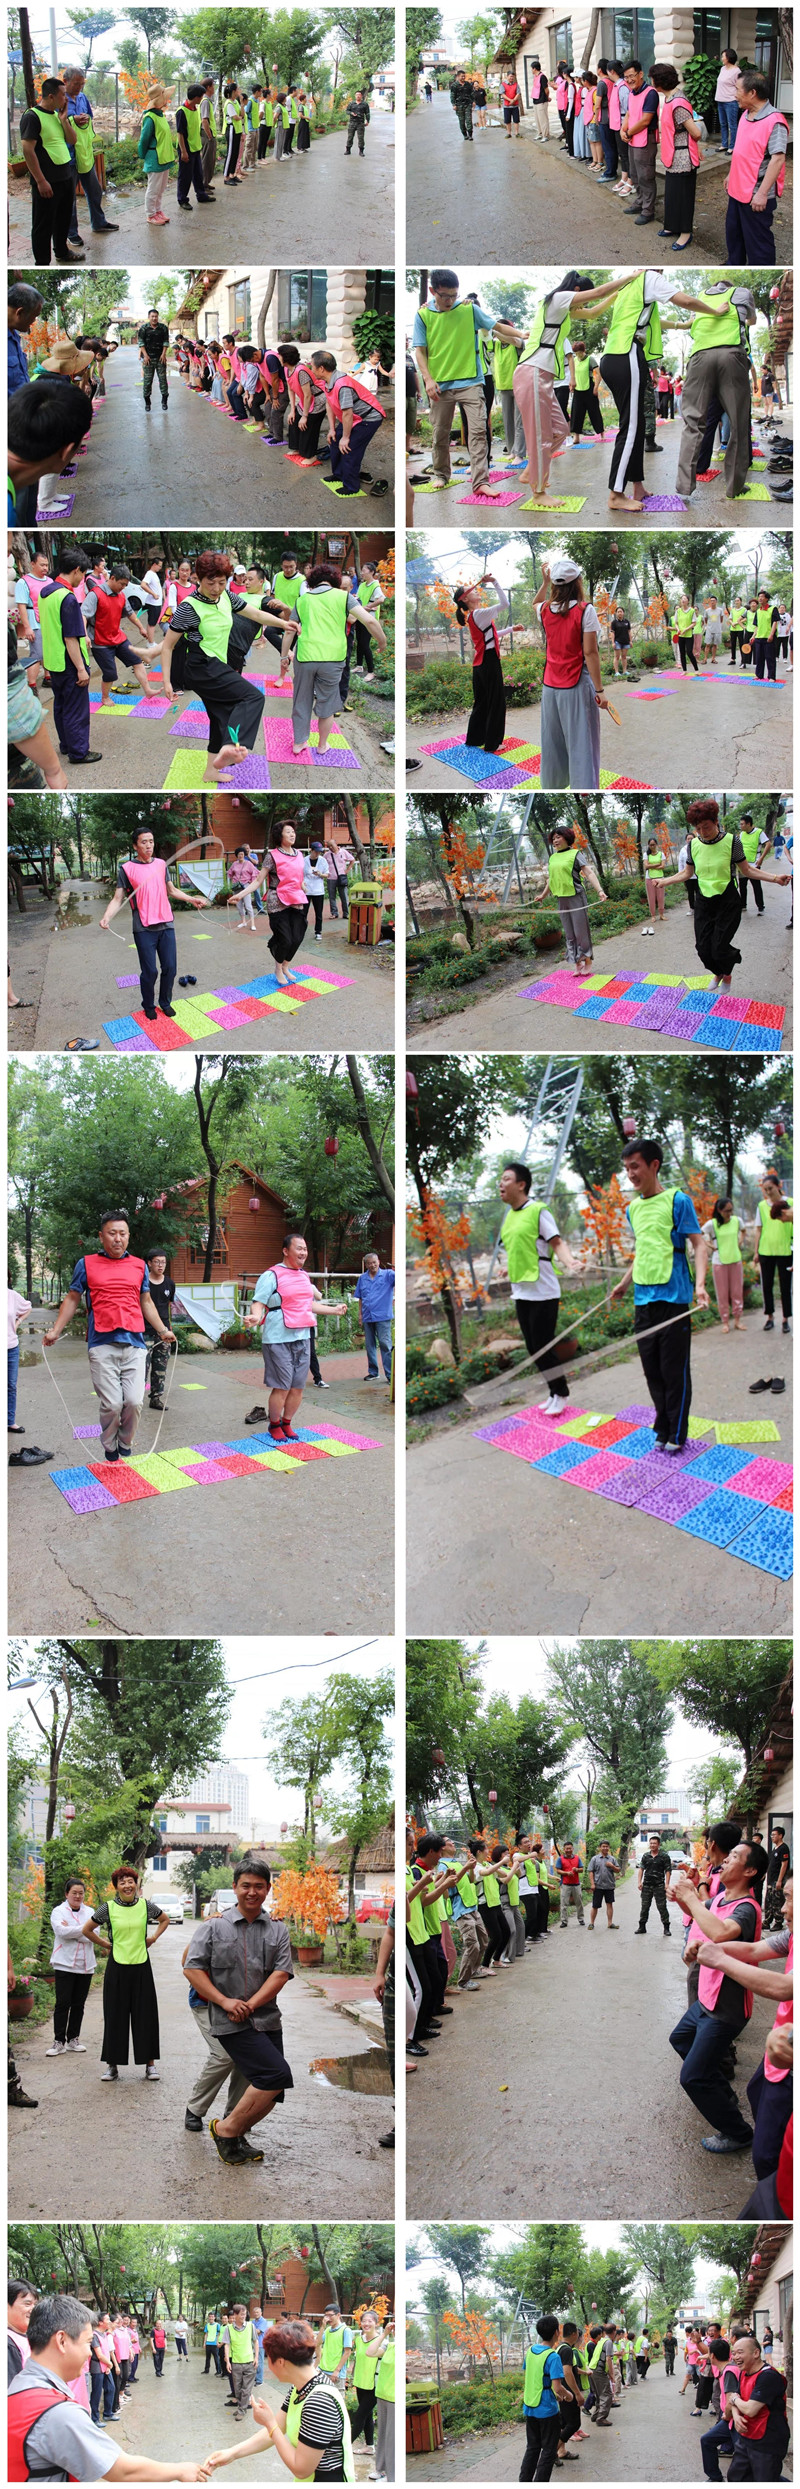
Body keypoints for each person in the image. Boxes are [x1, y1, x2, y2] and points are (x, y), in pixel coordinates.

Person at [8, 2294, 205, 2481]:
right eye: (87, 2342)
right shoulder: (57, 2412)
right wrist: (180, 2470)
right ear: (62, 2341)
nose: (89, 2353)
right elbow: (122, 2471)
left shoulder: (19, 2384)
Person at [183, 1859, 293, 2167]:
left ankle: (237, 2137)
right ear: (235, 1887)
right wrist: (226, 2001)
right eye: (246, 1885)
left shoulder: (278, 1930)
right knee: (276, 2075)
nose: (252, 1892)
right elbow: (192, 1969)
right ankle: (226, 2130)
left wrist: (251, 2004)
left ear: (268, 1889)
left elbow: (280, 1974)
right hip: (229, 2021)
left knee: (273, 2088)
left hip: (267, 2018)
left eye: (259, 1886)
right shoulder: (214, 1926)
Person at [42, 1208, 176, 1462]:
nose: (118, 1238)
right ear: (101, 1236)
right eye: (112, 1233)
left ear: (129, 1236)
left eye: (122, 1233)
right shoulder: (86, 1264)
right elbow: (72, 1298)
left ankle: (125, 1443)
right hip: (101, 1344)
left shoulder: (138, 1266)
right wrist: (55, 1331)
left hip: (135, 1344)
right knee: (112, 1404)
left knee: (135, 1401)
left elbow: (146, 1302)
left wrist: (162, 1330)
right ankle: (109, 1445)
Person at [669, 1838, 768, 2153]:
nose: (725, 1860)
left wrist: (692, 1898)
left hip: (727, 2007)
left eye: (735, 1857)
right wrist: (683, 1899)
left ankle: (738, 2133)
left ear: (750, 1870)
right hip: (707, 1998)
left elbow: (722, 1933)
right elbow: (705, 1922)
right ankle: (722, 2095)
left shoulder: (747, 1908)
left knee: (692, 2077)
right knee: (681, 2040)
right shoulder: (721, 1897)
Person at [611, 1138, 709, 1450]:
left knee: (673, 1370)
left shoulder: (678, 1201)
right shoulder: (633, 1209)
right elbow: (644, 1250)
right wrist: (626, 1282)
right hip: (644, 1299)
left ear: (654, 1165)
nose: (631, 1174)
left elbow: (699, 1244)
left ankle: (677, 1433)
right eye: (627, 1168)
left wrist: (701, 1286)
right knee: (652, 1370)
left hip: (674, 1299)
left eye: (635, 1166)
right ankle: (663, 1427)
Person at [510, 272, 626, 505]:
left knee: (561, 430)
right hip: (532, 371)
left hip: (542, 376)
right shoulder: (559, 298)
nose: (583, 304)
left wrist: (618, 293)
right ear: (576, 289)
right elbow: (598, 293)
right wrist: (630, 277)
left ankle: (531, 471)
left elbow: (593, 313)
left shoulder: (562, 308)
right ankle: (539, 493)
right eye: (582, 298)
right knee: (542, 435)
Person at [202, 2315, 356, 2480]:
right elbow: (278, 2427)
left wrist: (269, 2423)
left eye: (269, 2357)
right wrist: (232, 2453)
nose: (267, 2363)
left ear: (281, 2362)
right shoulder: (301, 2387)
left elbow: (301, 2468)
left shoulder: (319, 2402)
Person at [661, 797, 789, 988]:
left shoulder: (732, 841)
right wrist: (665, 881)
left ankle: (727, 971)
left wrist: (774, 877)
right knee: (703, 949)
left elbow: (747, 870)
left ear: (716, 822)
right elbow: (688, 873)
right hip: (703, 901)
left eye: (707, 826)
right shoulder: (693, 845)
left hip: (727, 901)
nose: (703, 832)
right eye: (698, 829)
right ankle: (718, 972)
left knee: (719, 947)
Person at [161, 551, 268, 776]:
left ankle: (211, 771)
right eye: (211, 582)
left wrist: (285, 624)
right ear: (198, 578)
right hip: (201, 667)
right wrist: (168, 682)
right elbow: (168, 645)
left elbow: (256, 615)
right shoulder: (188, 607)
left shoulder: (226, 597)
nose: (217, 588)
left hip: (216, 665)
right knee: (253, 696)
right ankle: (231, 746)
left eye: (222, 582)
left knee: (221, 717)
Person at [413, 272, 519, 499]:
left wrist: (522, 334)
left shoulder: (469, 309)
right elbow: (419, 351)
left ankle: (480, 481)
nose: (450, 301)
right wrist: (428, 380)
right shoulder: (422, 315)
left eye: (454, 295)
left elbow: (497, 327)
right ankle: (441, 474)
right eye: (444, 296)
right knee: (439, 434)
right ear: (433, 292)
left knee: (478, 432)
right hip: (440, 385)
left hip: (471, 382)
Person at [99, 825, 210, 1021]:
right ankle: (148, 1005)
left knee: (170, 968)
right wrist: (107, 916)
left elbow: (172, 890)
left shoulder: (160, 864)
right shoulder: (126, 869)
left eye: (151, 841)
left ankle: (165, 1002)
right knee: (150, 971)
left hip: (166, 922)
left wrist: (192, 899)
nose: (149, 845)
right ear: (135, 846)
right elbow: (118, 898)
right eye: (144, 842)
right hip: (143, 927)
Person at [243, 1234, 345, 1443]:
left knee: (298, 1386)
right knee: (282, 1386)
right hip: (277, 1338)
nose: (303, 1253)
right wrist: (256, 1316)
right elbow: (259, 1302)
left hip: (302, 1336)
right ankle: (274, 1424)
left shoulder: (303, 1276)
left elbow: (308, 1305)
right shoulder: (272, 1275)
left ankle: (287, 1422)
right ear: (285, 1250)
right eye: (299, 1248)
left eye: (305, 1249)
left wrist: (334, 1310)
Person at [281, 560, 386, 760]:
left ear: (312, 580)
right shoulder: (344, 596)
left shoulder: (302, 600)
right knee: (327, 703)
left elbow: (289, 631)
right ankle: (322, 745)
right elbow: (370, 620)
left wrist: (284, 656)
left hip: (305, 657)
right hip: (333, 659)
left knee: (301, 700)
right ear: (335, 580)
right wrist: (382, 641)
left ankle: (299, 742)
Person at [498, 1160, 577, 1417]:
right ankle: (553, 1391)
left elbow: (556, 1243)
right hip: (522, 1292)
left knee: (543, 1346)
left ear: (522, 1185)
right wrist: (508, 1269)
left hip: (543, 1291)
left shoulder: (539, 1211)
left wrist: (569, 1261)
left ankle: (561, 1392)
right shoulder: (510, 1217)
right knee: (533, 1347)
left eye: (507, 1179)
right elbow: (519, 1251)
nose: (501, 1183)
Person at [83, 1865, 168, 2083]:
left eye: (131, 1881)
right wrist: (105, 1944)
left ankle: (150, 2065)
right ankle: (112, 2065)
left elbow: (164, 1919)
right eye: (122, 1882)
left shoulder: (145, 1906)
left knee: (145, 2015)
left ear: (137, 1884)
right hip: (117, 1967)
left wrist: (153, 1938)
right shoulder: (108, 1908)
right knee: (115, 2015)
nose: (127, 1885)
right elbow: (86, 1929)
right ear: (116, 1887)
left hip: (141, 1966)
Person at [533, 556, 610, 791]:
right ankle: (584, 788)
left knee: (552, 742)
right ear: (578, 582)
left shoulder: (545, 609)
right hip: (576, 685)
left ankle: (553, 785)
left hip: (550, 688)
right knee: (582, 744)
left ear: (556, 585)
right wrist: (600, 691)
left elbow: (534, 603)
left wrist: (544, 583)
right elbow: (590, 652)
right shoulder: (585, 610)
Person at [675, 282, 756, 502]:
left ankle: (684, 486)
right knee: (738, 424)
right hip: (732, 355)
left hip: (700, 358)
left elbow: (693, 329)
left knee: (693, 422)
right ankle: (734, 487)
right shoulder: (742, 293)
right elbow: (752, 320)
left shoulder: (699, 298)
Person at [725, 68, 788, 267]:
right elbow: (742, 151)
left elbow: (777, 160)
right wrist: (730, 174)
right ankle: (734, 263)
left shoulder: (774, 121)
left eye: (737, 89)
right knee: (734, 233)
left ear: (752, 93)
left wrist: (762, 194)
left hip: (755, 193)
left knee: (758, 243)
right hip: (737, 189)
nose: (734, 94)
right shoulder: (746, 114)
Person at [20, 76, 83, 266]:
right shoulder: (32, 116)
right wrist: (40, 180)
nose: (66, 99)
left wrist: (64, 120)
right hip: (47, 180)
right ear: (51, 96)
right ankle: (42, 262)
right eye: (63, 95)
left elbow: (73, 140)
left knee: (63, 219)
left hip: (65, 176)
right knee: (43, 224)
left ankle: (62, 252)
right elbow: (27, 150)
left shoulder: (57, 115)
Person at [451, 575, 509, 754]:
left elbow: (491, 635)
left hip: (480, 665)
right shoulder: (479, 614)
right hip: (489, 662)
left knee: (482, 702)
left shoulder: (472, 616)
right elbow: (505, 604)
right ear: (465, 599)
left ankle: (475, 738)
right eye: (474, 591)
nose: (477, 592)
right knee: (496, 702)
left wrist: (512, 629)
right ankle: (492, 743)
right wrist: (495, 582)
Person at [651, 64, 704, 250]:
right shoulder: (669, 98)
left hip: (683, 158)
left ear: (659, 82)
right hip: (673, 156)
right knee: (673, 195)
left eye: (653, 78)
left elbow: (696, 133)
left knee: (683, 197)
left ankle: (685, 232)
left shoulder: (679, 103)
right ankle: (672, 226)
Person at [47, 1876, 97, 2056]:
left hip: (85, 1965)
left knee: (78, 2004)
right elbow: (61, 1931)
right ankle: (58, 2041)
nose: (77, 1896)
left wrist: (74, 1930)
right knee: (63, 2003)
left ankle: (73, 2039)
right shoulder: (58, 1911)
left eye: (81, 1893)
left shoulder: (90, 1911)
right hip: (64, 1964)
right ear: (67, 1894)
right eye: (74, 1893)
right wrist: (85, 1929)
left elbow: (94, 1933)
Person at [520, 2314, 573, 2481]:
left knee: (533, 2447)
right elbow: (558, 2387)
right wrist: (568, 2395)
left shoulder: (530, 2351)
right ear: (557, 2332)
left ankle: (524, 2481)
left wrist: (551, 2392)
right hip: (547, 2410)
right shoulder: (553, 2356)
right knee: (549, 2450)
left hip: (530, 2406)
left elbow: (535, 2376)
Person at [753, 1172, 792, 1334]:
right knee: (766, 1285)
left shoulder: (791, 1204)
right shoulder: (761, 1206)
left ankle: (786, 1319)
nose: (768, 1192)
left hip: (785, 1250)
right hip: (766, 1251)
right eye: (765, 1189)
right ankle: (770, 1317)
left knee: (785, 1287)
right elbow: (758, 1230)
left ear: (779, 1186)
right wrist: (756, 1252)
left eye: (770, 1188)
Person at [620, 59, 659, 224]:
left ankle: (648, 210)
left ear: (640, 74)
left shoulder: (650, 93)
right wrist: (623, 129)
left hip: (646, 139)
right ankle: (640, 201)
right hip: (633, 139)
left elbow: (645, 120)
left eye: (632, 76)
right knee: (635, 174)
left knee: (646, 176)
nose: (629, 80)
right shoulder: (631, 92)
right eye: (626, 77)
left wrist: (627, 132)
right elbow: (629, 113)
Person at [702, 1198, 746, 1332]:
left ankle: (737, 1320)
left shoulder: (737, 1221)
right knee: (722, 1294)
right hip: (719, 1262)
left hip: (735, 1260)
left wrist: (740, 1242)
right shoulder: (712, 1224)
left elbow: (743, 1231)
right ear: (719, 1211)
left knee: (737, 1292)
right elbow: (700, 1233)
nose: (729, 1213)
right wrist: (709, 1244)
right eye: (726, 1211)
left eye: (731, 1210)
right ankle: (725, 1322)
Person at [137, 83, 177, 226]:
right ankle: (150, 214)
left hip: (164, 157)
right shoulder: (150, 117)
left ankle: (158, 210)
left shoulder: (159, 115)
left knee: (161, 188)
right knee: (153, 188)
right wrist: (143, 155)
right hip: (155, 158)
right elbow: (144, 139)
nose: (167, 99)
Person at [142, 1250, 176, 1411]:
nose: (161, 1265)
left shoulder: (169, 1283)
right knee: (141, 1367)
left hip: (164, 1333)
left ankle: (156, 1398)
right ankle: (134, 1400)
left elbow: (168, 1306)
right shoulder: (143, 1283)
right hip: (144, 1331)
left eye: (163, 1262)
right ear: (149, 1263)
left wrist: (169, 1328)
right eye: (157, 1262)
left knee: (160, 1367)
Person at [353, 1252, 394, 1383]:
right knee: (369, 1345)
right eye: (369, 1263)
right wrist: (360, 1315)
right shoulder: (362, 1278)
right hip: (367, 1316)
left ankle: (390, 1375)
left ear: (378, 1261)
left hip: (382, 1316)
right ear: (366, 1264)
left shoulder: (388, 1275)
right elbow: (360, 1298)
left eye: (374, 1262)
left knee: (385, 1345)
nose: (372, 1265)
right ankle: (373, 1372)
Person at [219, 2304, 256, 2421]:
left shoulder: (251, 2326)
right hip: (236, 2362)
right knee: (238, 2389)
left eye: (245, 2314)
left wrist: (256, 2358)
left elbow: (255, 2342)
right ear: (235, 2315)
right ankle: (241, 2407)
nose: (244, 2316)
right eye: (241, 2314)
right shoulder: (228, 2329)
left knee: (246, 2389)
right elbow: (227, 2345)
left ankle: (242, 2410)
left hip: (249, 2362)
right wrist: (227, 2362)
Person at [636, 1833, 673, 1933]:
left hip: (659, 1885)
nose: (652, 1845)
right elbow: (641, 1869)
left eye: (654, 1843)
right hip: (647, 1885)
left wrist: (667, 1884)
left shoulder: (664, 1856)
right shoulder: (646, 1856)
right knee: (644, 1907)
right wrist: (639, 1882)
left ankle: (666, 1928)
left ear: (658, 1844)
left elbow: (668, 1871)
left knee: (662, 1907)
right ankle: (642, 1927)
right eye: (651, 1843)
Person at [138, 309, 171, 411]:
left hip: (160, 358)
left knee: (163, 381)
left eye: (156, 316)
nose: (154, 318)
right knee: (147, 382)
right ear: (149, 317)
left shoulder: (163, 328)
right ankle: (147, 402)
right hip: (148, 359)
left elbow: (166, 342)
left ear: (158, 317)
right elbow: (141, 343)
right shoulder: (144, 328)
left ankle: (164, 401)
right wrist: (145, 355)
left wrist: (163, 354)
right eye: (152, 316)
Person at [9, 2279, 38, 2383]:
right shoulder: (9, 2344)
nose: (33, 2309)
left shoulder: (29, 2336)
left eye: (35, 2304)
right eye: (27, 2304)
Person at [764, 1826, 791, 1929]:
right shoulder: (774, 1849)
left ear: (780, 1835)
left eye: (774, 1835)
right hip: (771, 1880)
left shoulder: (784, 1848)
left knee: (777, 1902)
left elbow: (784, 1865)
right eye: (771, 1835)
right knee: (769, 1901)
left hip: (777, 1880)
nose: (772, 1837)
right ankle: (767, 1921)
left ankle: (778, 1922)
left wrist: (780, 1880)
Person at [588, 1842, 620, 1929]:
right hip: (598, 1886)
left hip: (609, 1886)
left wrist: (612, 1866)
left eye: (607, 1846)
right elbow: (591, 1872)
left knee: (609, 1904)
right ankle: (591, 1923)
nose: (605, 1848)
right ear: (599, 1847)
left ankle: (610, 1923)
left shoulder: (612, 1859)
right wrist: (592, 1884)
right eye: (603, 1846)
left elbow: (618, 1870)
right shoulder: (595, 1859)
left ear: (609, 1847)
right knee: (595, 1906)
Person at [556, 1842, 585, 1930]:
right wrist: (566, 1873)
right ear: (564, 1849)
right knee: (564, 1903)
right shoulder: (560, 1859)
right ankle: (564, 1921)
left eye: (570, 1848)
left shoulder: (577, 1858)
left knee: (579, 1902)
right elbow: (558, 1870)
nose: (568, 1850)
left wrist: (576, 1869)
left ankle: (581, 1919)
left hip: (576, 1884)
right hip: (565, 1884)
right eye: (566, 1849)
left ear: (572, 1849)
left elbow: (581, 1869)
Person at [345, 90, 370, 156]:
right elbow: (347, 111)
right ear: (355, 96)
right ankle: (348, 150)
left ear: (361, 96)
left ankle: (361, 151)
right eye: (357, 95)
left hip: (360, 123)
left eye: (359, 95)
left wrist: (368, 121)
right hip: (352, 123)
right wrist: (351, 113)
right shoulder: (351, 103)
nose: (358, 96)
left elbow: (367, 113)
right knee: (350, 137)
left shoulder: (365, 104)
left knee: (361, 138)